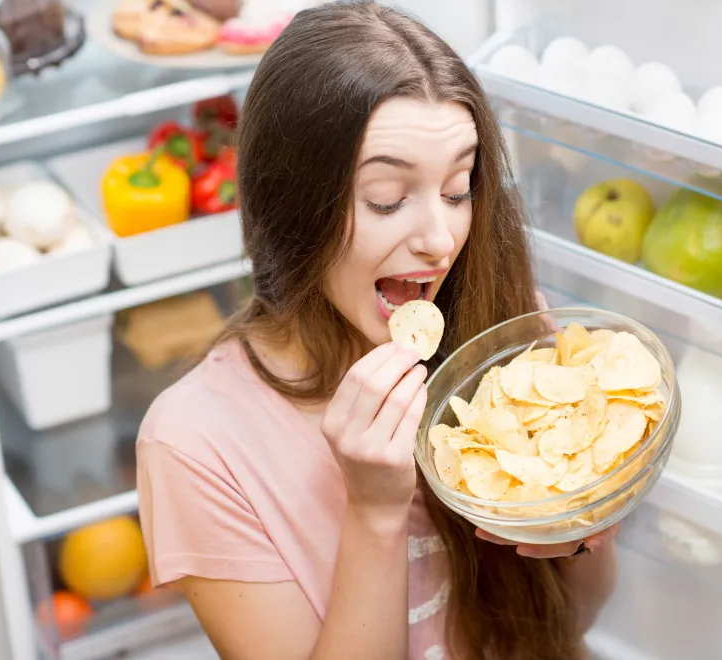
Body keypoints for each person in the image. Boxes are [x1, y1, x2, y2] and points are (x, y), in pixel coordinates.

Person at [136, 2, 618, 659]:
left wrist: (589, 520)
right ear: (292, 205)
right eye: (387, 199)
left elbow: (573, 621)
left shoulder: (505, 339)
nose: (438, 239)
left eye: (457, 189)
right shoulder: (195, 442)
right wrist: (374, 511)